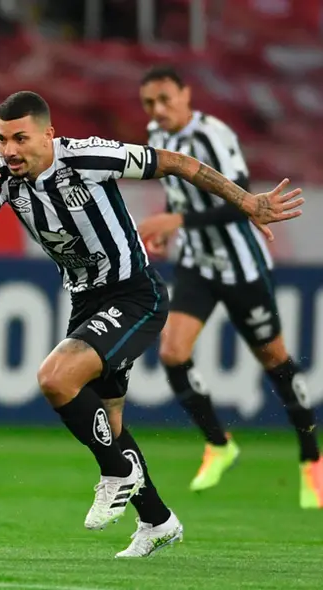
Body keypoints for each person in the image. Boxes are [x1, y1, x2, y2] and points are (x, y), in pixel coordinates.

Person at [0, 91, 302, 557]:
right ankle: (157, 520)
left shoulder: (88, 157)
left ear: (48, 135)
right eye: (2, 139)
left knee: (55, 378)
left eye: (20, 138)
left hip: (134, 293)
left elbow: (177, 163)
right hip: (85, 301)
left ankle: (117, 472)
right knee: (110, 422)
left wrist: (247, 202)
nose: (9, 149)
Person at [136, 66, 322, 507]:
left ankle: (312, 458)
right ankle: (219, 444)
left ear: (186, 94)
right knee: (172, 353)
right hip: (198, 266)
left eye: (164, 99)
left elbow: (244, 202)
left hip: (242, 268)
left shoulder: (214, 136)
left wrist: (177, 220)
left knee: (275, 361)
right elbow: (181, 195)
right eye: (149, 103)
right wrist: (170, 224)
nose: (157, 110)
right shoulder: (155, 136)